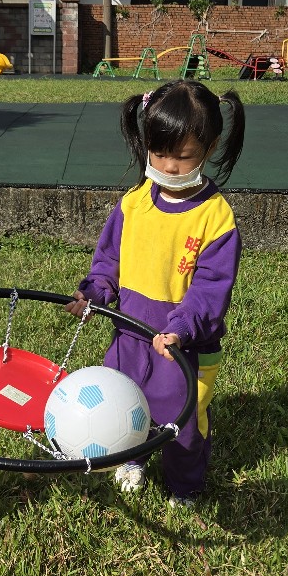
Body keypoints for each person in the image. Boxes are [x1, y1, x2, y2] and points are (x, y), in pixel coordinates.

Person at [66, 79, 246, 507]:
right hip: (128, 336)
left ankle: (185, 487)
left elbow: (210, 290)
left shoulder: (215, 218)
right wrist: (94, 292)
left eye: (183, 157)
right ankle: (132, 457)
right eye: (159, 153)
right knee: (125, 404)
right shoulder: (134, 203)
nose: (169, 166)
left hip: (183, 349)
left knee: (182, 424)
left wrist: (181, 328)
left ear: (210, 148)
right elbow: (109, 260)